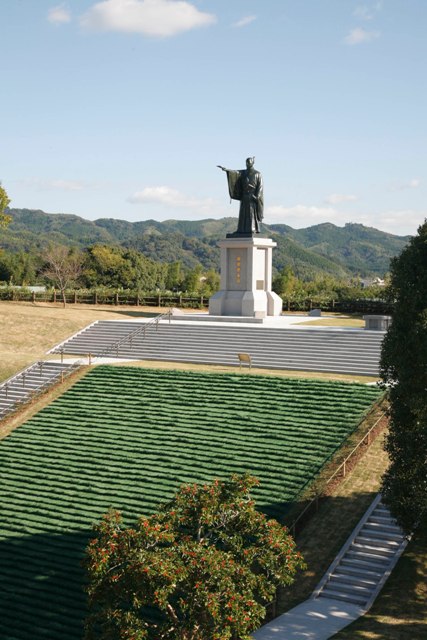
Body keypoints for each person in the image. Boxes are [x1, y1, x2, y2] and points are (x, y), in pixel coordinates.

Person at [217, 157, 264, 235]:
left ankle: (252, 228)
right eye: (246, 162)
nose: (247, 164)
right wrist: (227, 170)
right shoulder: (244, 172)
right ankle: (241, 229)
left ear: (252, 163)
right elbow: (235, 173)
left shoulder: (257, 173)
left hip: (252, 196)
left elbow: (260, 186)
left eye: (249, 162)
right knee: (243, 214)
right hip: (244, 196)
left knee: (251, 213)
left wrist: (257, 196)